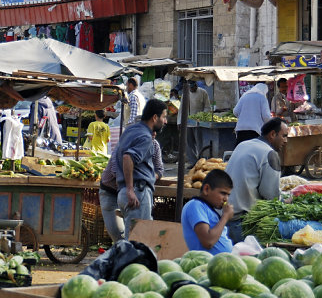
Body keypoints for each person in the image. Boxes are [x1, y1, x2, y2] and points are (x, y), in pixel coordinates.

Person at [224, 118, 288, 242]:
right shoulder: (270, 153)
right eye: (284, 136)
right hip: (243, 221)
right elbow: (270, 196)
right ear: (273, 134)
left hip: (225, 215)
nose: (286, 141)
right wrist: (285, 200)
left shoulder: (244, 144)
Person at [114, 98, 168, 239]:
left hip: (124, 192)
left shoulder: (131, 129)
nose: (165, 121)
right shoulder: (145, 137)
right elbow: (127, 157)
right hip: (138, 193)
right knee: (138, 239)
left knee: (133, 237)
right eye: (164, 117)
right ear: (155, 117)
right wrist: (131, 189)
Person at [99, 132, 164, 242]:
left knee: (136, 235)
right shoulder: (124, 144)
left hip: (134, 191)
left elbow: (159, 170)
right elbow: (116, 171)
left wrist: (148, 178)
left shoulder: (154, 145)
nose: (153, 134)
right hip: (111, 192)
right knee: (117, 236)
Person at [181, 168, 234, 254]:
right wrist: (225, 217)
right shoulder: (195, 205)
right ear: (206, 189)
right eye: (223, 193)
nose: (226, 199)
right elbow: (208, 242)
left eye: (228, 195)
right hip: (207, 265)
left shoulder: (207, 207)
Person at [182, 80, 211, 165]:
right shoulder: (185, 94)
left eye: (193, 88)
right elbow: (182, 109)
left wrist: (202, 116)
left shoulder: (203, 92)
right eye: (190, 88)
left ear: (196, 86)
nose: (192, 89)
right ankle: (193, 162)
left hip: (199, 122)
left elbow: (207, 107)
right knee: (189, 144)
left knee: (199, 143)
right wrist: (179, 122)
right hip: (188, 121)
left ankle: (201, 161)